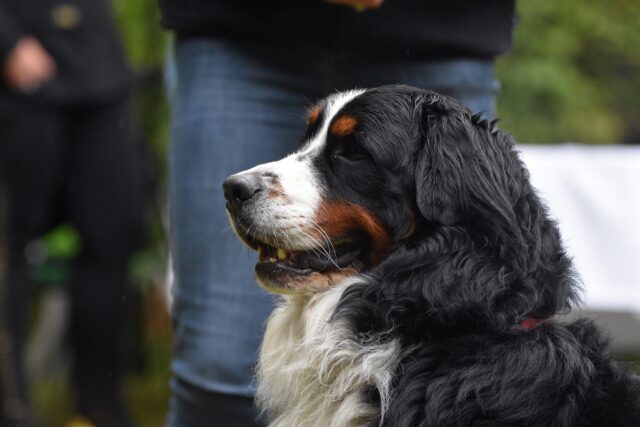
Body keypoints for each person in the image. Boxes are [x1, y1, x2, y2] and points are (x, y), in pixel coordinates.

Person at [157, 0, 515, 425]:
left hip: (437, 31)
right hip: (239, 31)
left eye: (347, 155)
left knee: (471, 372)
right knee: (217, 375)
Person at [0, 1, 144, 425]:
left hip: (99, 72)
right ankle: (12, 409)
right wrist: (6, 43)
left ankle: (99, 407)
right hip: (17, 76)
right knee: (8, 246)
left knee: (115, 232)